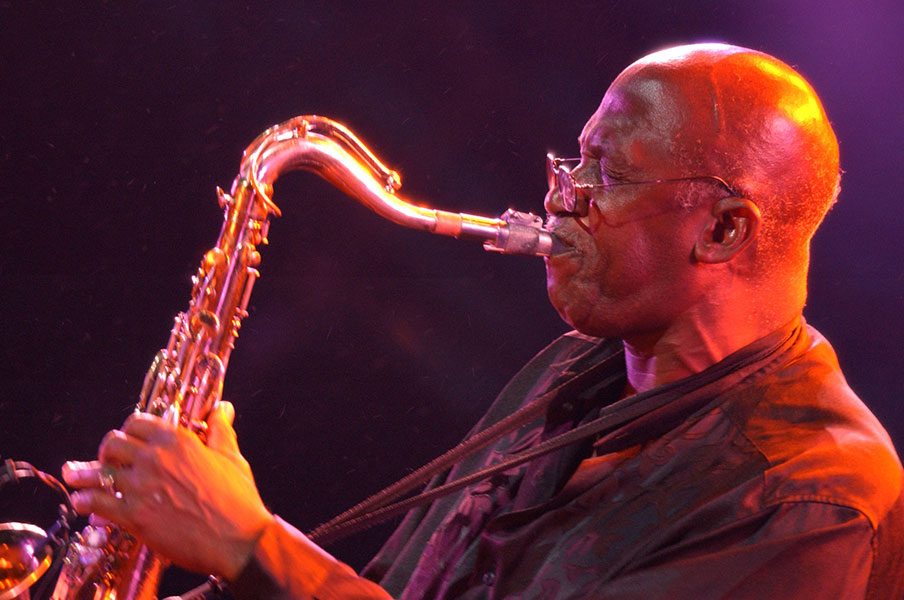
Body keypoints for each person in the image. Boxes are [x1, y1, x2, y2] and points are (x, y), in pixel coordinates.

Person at [62, 43, 904, 598]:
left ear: (723, 229)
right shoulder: (566, 375)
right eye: (572, 159)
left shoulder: (813, 495)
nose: (558, 196)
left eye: (603, 174)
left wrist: (249, 545)